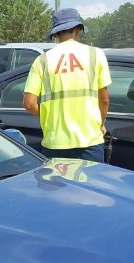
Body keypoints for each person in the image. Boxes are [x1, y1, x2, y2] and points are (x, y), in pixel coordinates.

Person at [23, 8, 111, 162]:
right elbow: (104, 100)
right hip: (90, 142)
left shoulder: (42, 61)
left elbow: (29, 104)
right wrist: (101, 123)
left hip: (55, 143)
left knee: (58, 186)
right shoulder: (95, 54)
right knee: (90, 186)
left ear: (55, 34)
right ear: (78, 29)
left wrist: (50, 117)